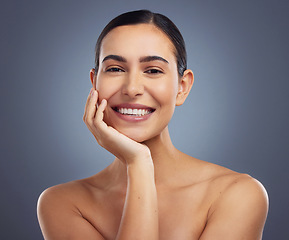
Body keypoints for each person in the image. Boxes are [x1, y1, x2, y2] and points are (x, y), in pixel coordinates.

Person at [37, 10, 268, 240]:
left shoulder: (237, 195)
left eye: (153, 70)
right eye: (115, 69)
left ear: (182, 87)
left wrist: (138, 163)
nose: (132, 88)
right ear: (94, 82)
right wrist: (138, 165)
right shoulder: (62, 203)